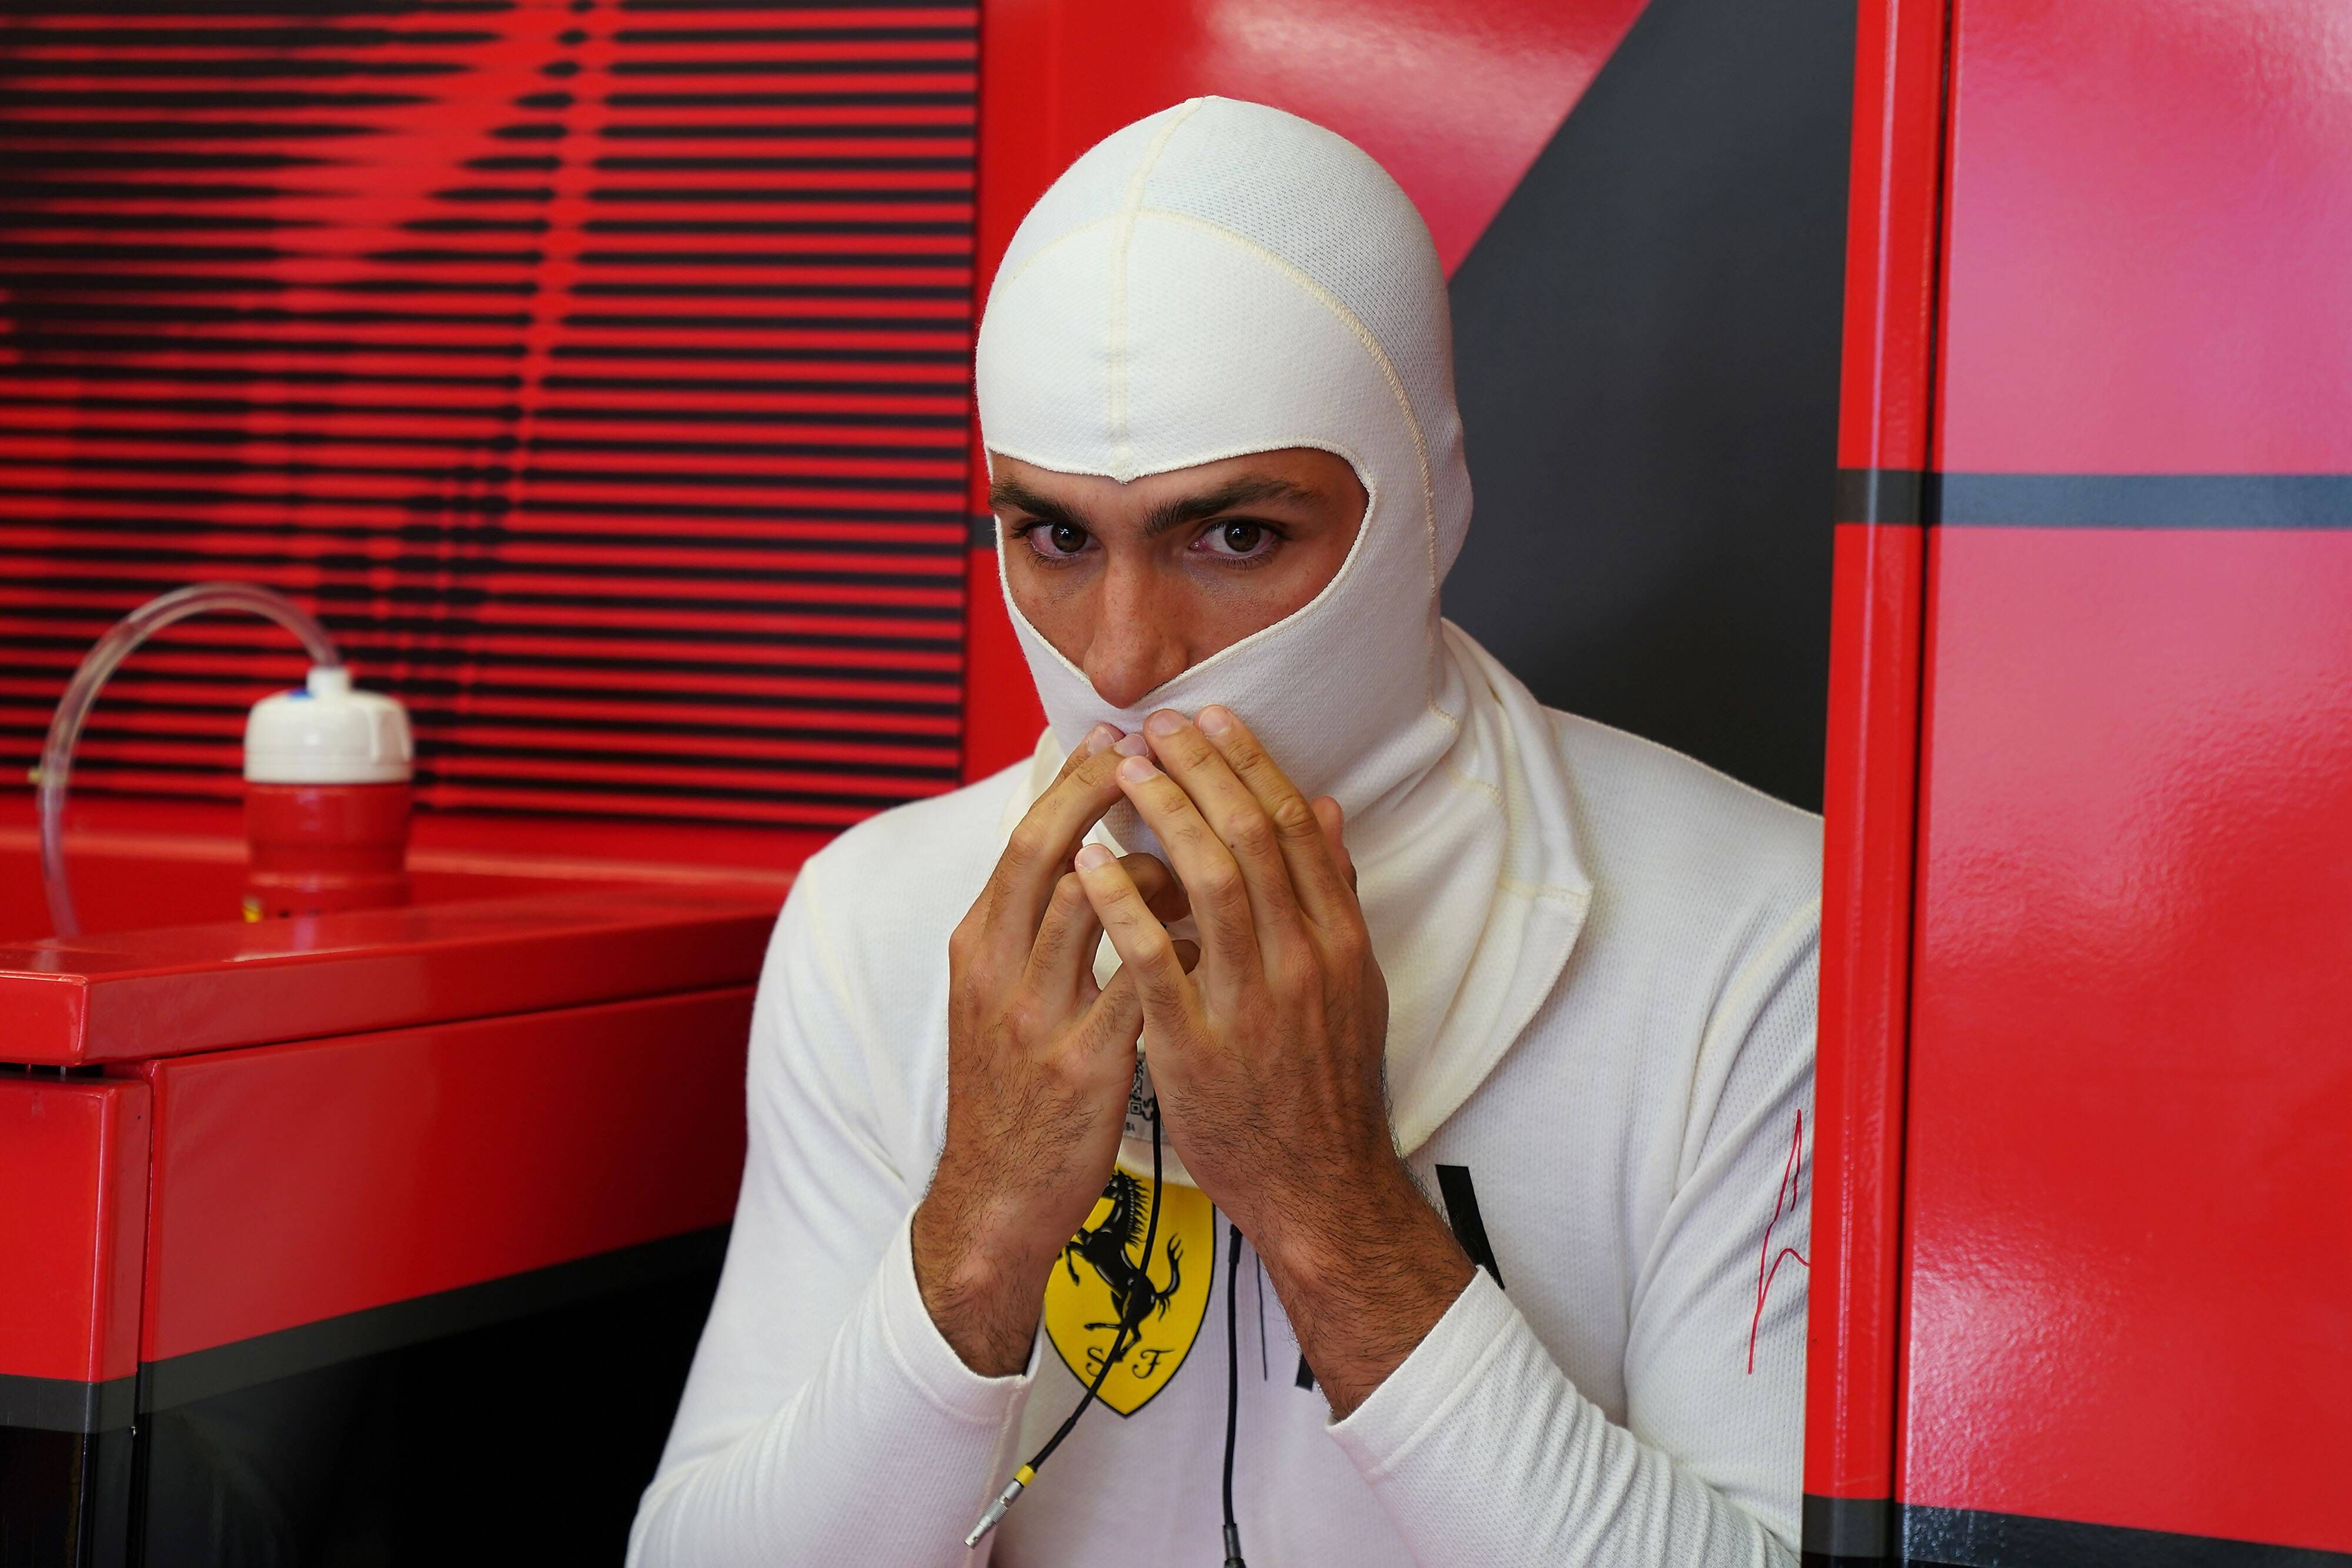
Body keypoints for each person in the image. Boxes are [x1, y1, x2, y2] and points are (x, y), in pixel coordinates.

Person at [629, 98, 1819, 1567]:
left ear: (1423, 501)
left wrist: (1331, 1207)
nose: (1123, 657)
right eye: (1056, 536)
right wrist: (975, 1234)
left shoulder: (1755, 934)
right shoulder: (879, 912)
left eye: (1233, 535)